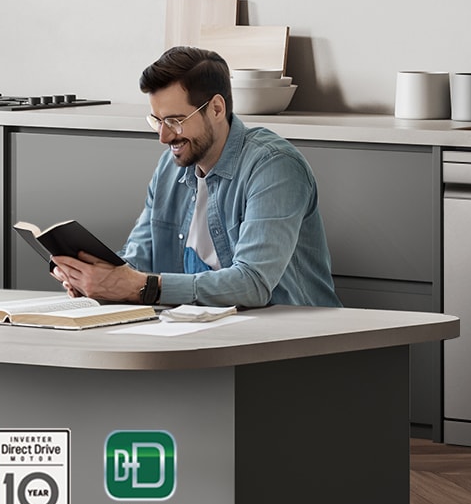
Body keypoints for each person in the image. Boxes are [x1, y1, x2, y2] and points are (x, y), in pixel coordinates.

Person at [52, 46, 342, 309]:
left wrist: (139, 286)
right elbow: (138, 260)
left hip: (293, 341)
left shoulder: (274, 166)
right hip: (198, 332)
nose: (164, 136)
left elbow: (253, 283)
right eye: (157, 120)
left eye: (175, 121)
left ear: (217, 108)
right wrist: (94, 278)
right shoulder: (170, 167)